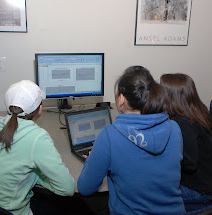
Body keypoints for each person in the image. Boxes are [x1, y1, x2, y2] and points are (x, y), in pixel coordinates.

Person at [77, 66, 185, 214]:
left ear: (121, 99)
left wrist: (91, 159)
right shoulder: (174, 128)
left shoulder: (110, 135)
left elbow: (85, 188)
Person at [0, 80, 75, 215]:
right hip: (10, 212)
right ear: (40, 109)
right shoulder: (38, 138)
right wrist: (38, 177)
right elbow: (67, 189)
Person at [160, 73, 212, 204]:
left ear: (169, 96)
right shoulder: (197, 110)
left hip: (200, 189)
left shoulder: (184, 123)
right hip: (209, 179)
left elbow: (189, 164)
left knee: (145, 189)